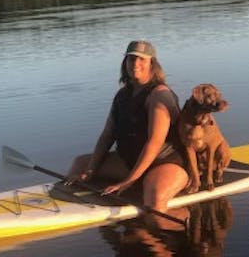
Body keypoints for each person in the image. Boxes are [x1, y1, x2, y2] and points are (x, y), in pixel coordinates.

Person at [66, 40, 189, 213]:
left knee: (154, 198)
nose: (135, 64)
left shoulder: (159, 95)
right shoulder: (122, 95)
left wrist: (128, 181)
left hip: (164, 162)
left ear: (152, 64)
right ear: (125, 63)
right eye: (131, 59)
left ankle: (169, 224)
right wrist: (90, 171)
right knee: (80, 164)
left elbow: (154, 143)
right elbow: (107, 135)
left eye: (141, 59)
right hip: (129, 161)